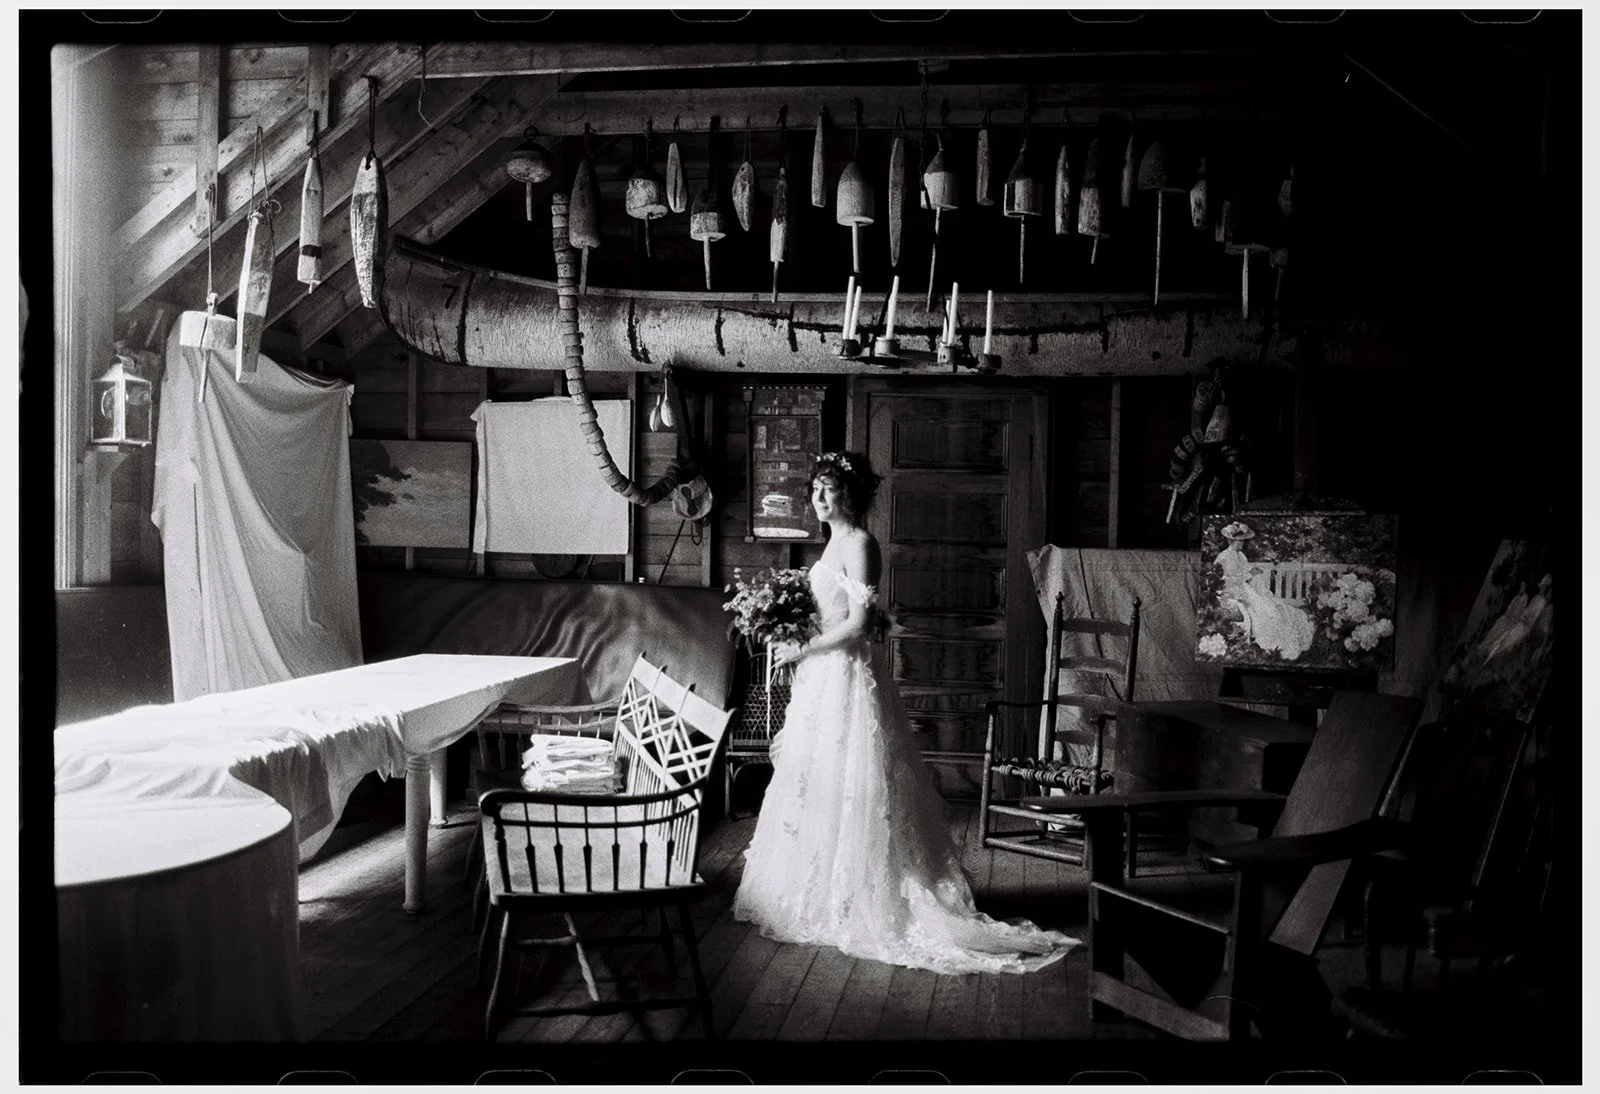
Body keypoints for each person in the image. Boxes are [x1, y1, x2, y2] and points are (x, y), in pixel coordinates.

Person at [732, 451, 1076, 975]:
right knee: (817, 780)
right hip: (823, 678)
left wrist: (805, 649)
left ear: (852, 495)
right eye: (816, 490)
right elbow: (836, 614)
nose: (820, 499)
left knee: (858, 781)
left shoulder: (861, 544)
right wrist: (794, 636)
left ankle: (867, 890)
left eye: (830, 490)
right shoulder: (830, 543)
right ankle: (823, 889)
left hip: (847, 677)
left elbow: (861, 624)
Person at [1214, 521, 1315, 661]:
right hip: (1232, 590)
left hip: (1244, 588)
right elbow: (1226, 579)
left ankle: (1283, 644)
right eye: (1240, 541)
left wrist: (1253, 572)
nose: (1243, 543)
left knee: (1273, 606)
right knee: (1263, 610)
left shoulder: (1241, 556)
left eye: (1244, 540)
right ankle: (1270, 646)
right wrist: (1249, 574)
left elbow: (1245, 571)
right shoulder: (1224, 557)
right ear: (1232, 540)